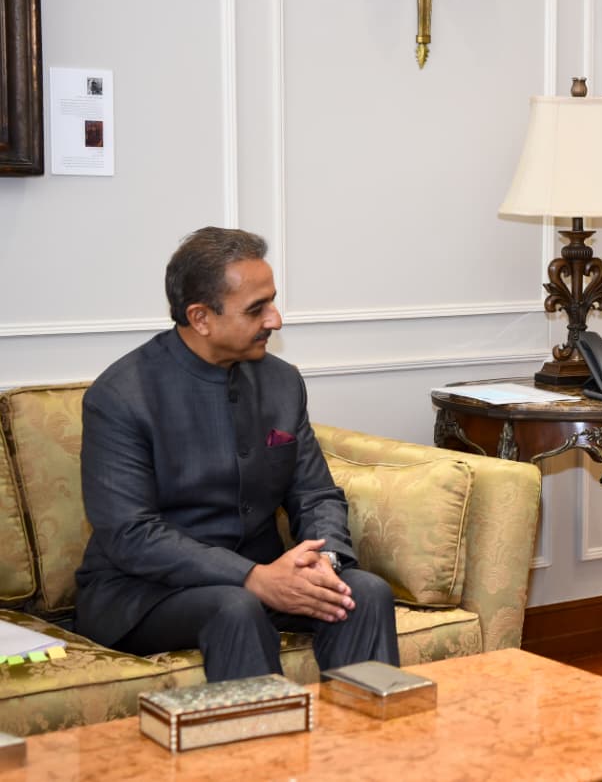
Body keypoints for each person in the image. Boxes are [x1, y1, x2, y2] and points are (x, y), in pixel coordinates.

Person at [75, 226, 399, 682]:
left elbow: (315, 494)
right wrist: (251, 577)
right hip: (146, 592)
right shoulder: (121, 396)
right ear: (201, 317)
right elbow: (132, 534)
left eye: (272, 302)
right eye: (256, 309)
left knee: (361, 593)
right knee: (236, 605)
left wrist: (323, 561)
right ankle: (267, 733)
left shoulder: (281, 382)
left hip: (263, 576)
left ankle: (365, 726)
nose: (275, 320)